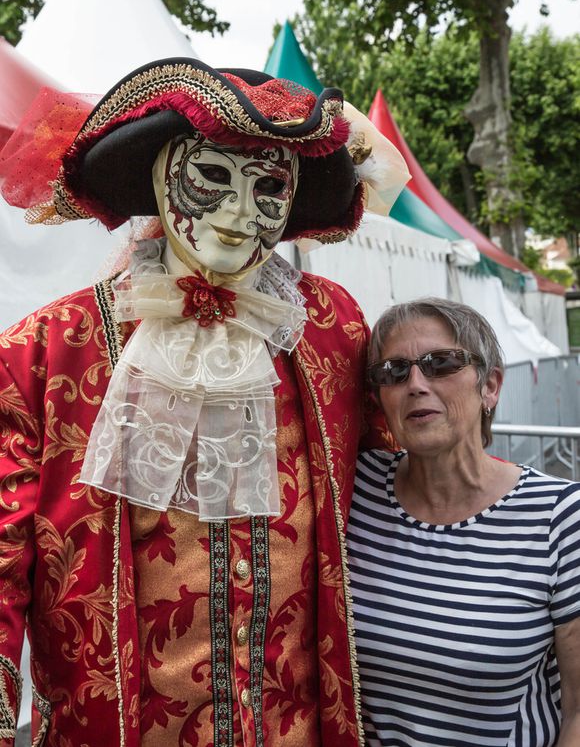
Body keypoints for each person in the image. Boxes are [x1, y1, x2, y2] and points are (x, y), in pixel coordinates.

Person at [0, 58, 407, 746]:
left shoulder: (332, 330)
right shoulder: (48, 348)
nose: (239, 213)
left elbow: (392, 487)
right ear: (160, 178)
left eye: (268, 186)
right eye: (211, 177)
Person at [348, 297, 580, 747]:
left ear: (490, 385)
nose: (416, 383)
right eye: (394, 371)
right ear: (379, 398)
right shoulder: (354, 490)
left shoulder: (559, 515)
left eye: (441, 363)